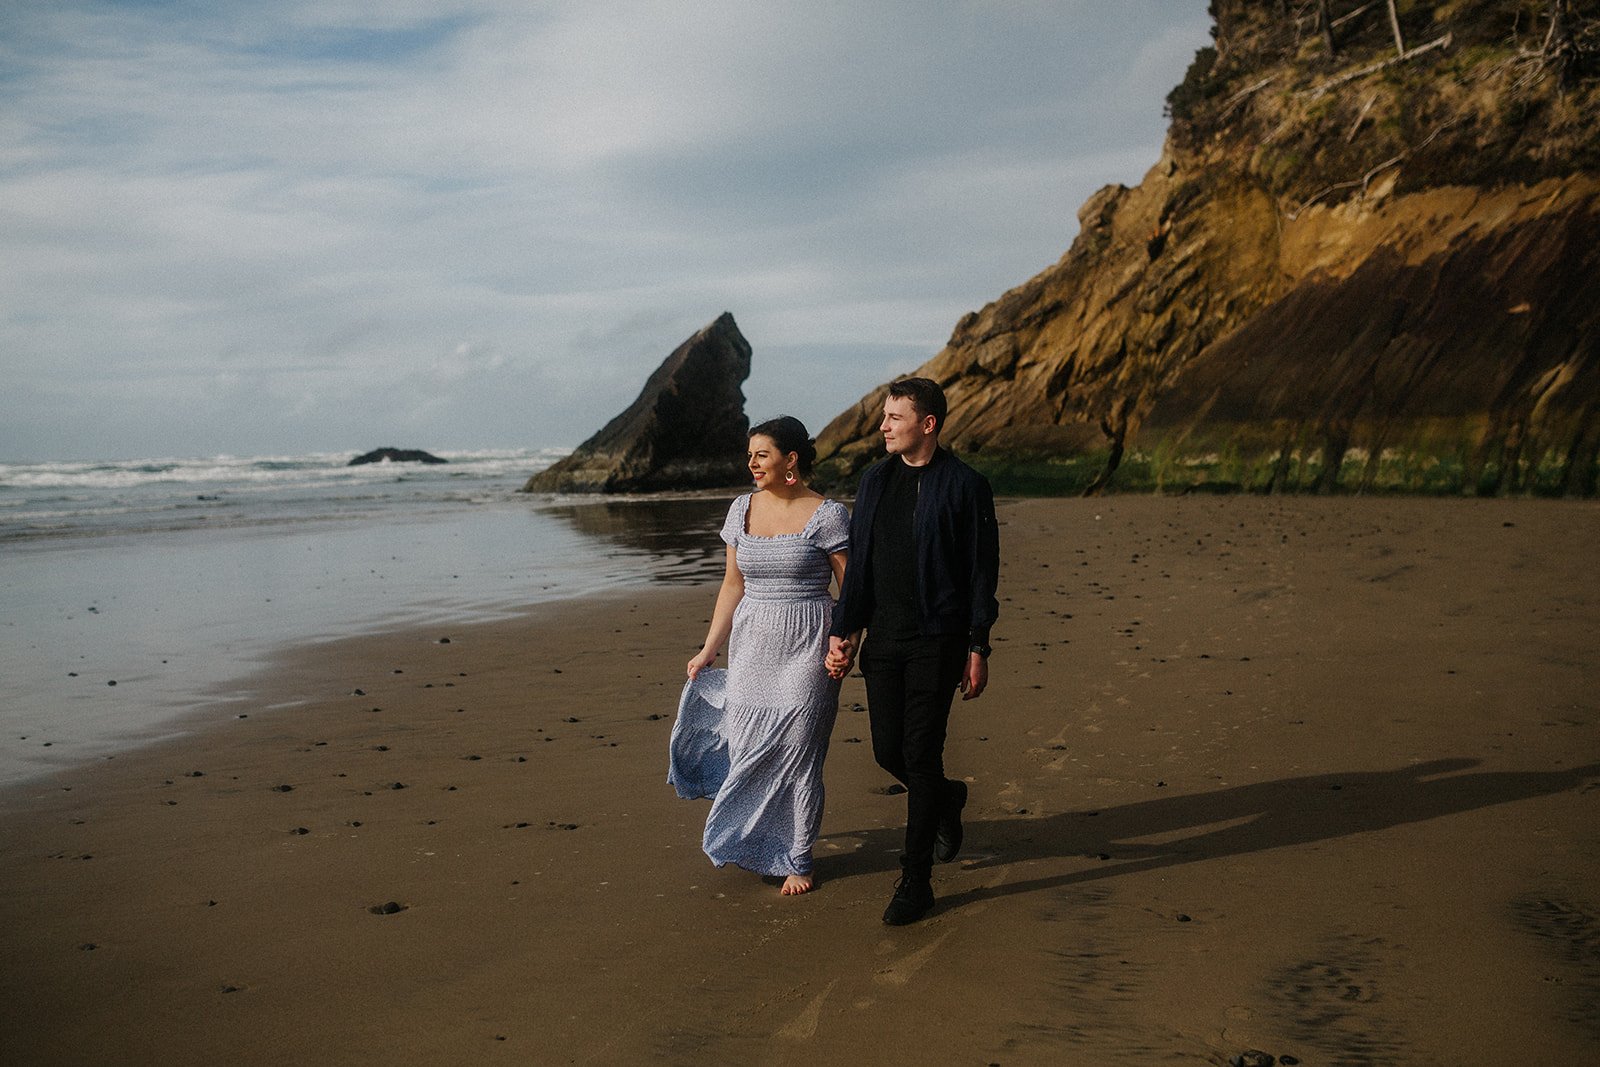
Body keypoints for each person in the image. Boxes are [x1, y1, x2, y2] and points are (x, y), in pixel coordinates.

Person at [826, 377, 999, 925]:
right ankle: (947, 798)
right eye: (883, 416)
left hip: (938, 639)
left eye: (894, 418)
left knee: (920, 755)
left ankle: (915, 879)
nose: (883, 426)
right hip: (886, 637)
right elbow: (860, 571)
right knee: (888, 751)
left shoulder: (966, 486)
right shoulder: (875, 481)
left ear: (927, 425)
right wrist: (844, 631)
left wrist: (978, 644)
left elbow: (980, 573)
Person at [669, 416, 851, 896]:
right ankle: (760, 837)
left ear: (791, 460)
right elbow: (733, 583)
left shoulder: (828, 515)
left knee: (797, 752)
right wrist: (710, 647)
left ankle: (798, 857)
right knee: (749, 746)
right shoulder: (741, 508)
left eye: (761, 454)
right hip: (752, 642)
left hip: (810, 643)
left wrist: (846, 643)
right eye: (749, 454)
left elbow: (851, 591)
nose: (751, 463)